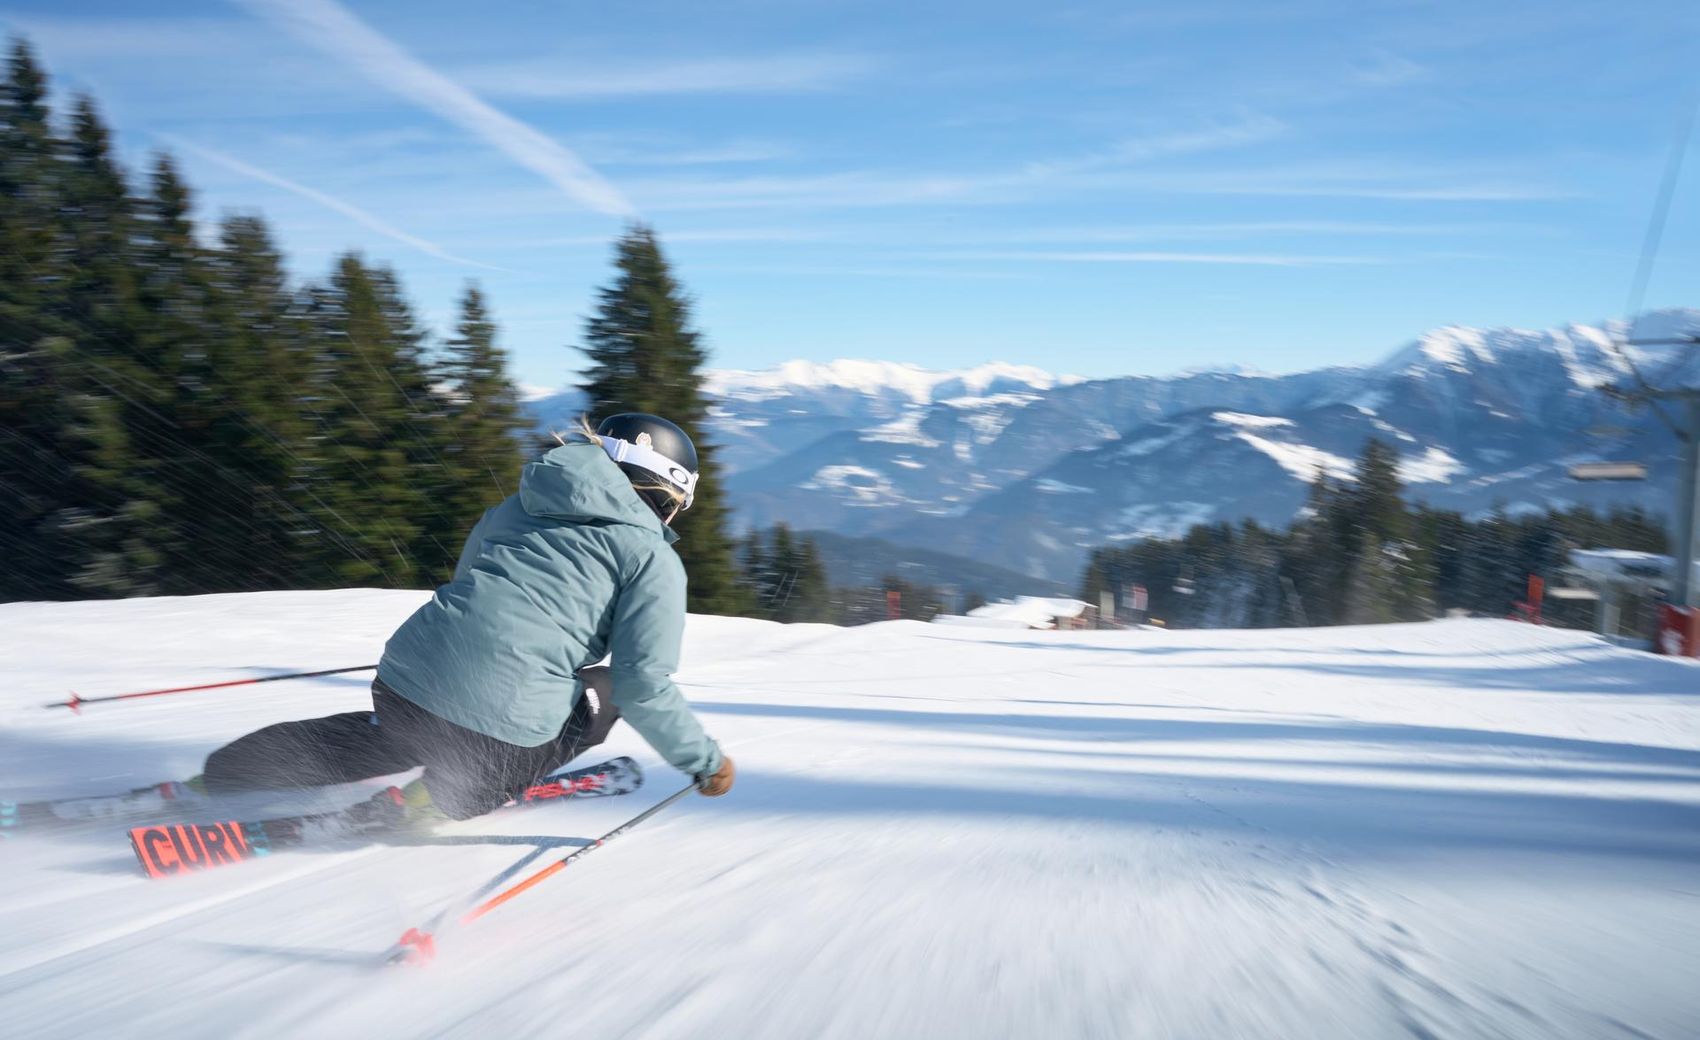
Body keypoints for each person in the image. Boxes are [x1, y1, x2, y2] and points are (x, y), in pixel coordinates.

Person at [199, 413, 735, 826]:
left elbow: (472, 582)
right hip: (495, 723)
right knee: (605, 692)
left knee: (396, 734)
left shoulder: (517, 506)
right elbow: (644, 684)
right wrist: (706, 762)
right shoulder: (651, 556)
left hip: (403, 681)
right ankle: (437, 801)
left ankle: (220, 775)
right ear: (663, 492)